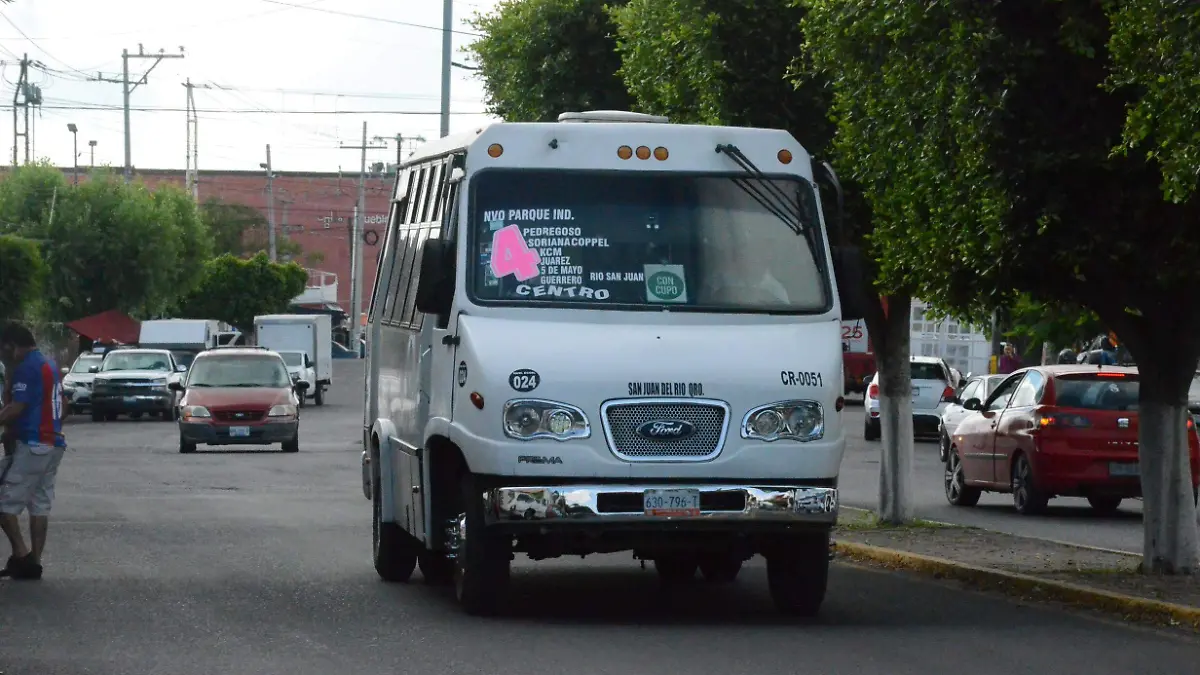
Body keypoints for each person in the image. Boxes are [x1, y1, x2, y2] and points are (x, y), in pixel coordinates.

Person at [0, 322, 67, 580]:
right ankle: (35, 562)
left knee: (4, 504)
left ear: (12, 345)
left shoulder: (27, 367)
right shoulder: (48, 364)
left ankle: (22, 556)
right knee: (39, 505)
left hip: (34, 444)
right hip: (54, 443)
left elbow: (16, 408)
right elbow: (65, 406)